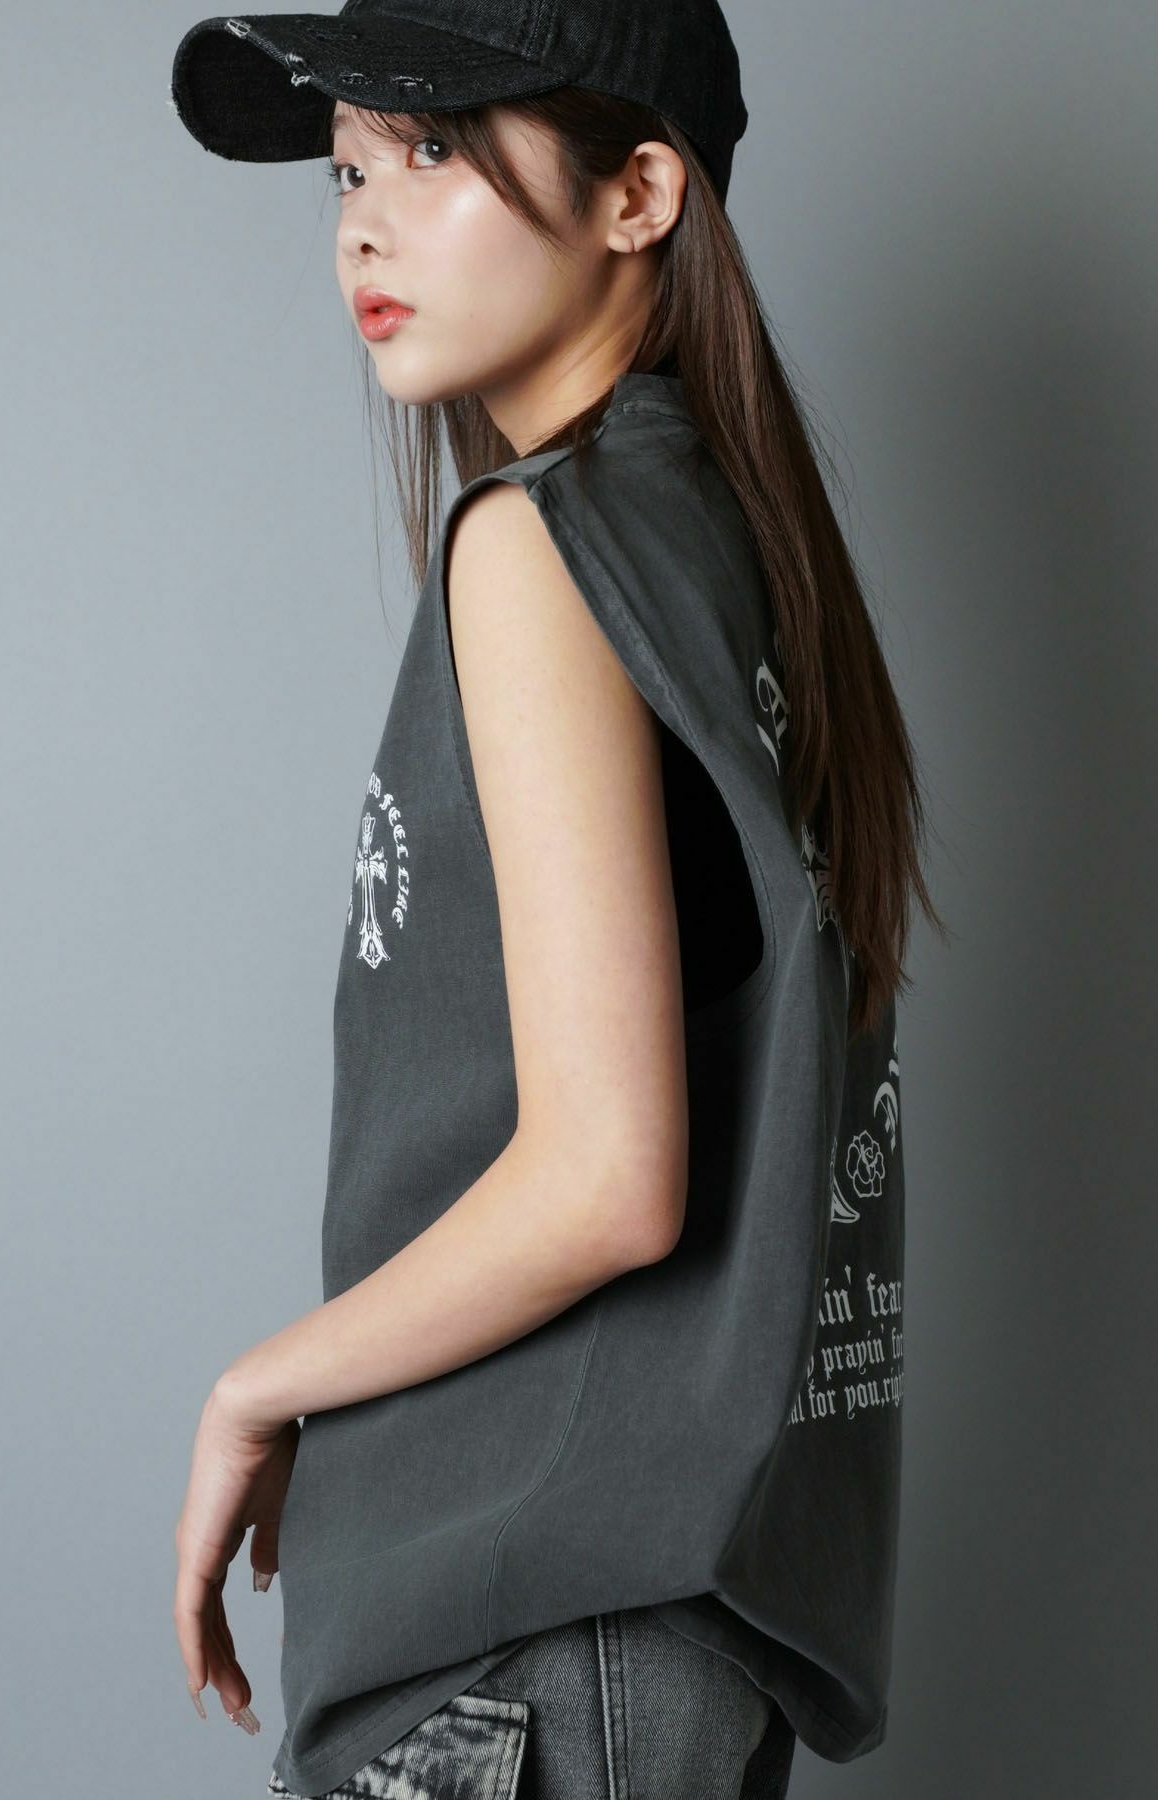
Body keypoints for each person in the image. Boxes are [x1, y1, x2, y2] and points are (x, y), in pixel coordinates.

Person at [166, 3, 946, 1795]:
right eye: (349, 170)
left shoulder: (538, 545)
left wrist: (261, 1385)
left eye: (434, 150)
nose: (363, 224)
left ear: (639, 194)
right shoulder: (725, 544)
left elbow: (609, 1173)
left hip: (537, 1632)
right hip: (656, 1631)